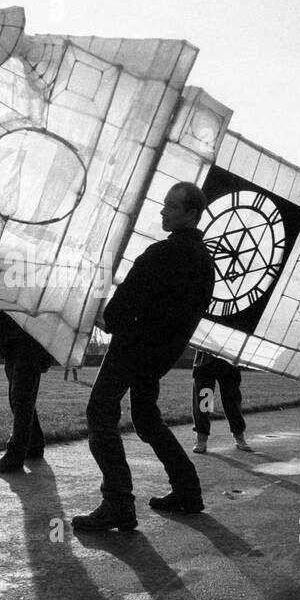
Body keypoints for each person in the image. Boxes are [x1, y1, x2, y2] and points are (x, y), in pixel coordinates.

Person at [73, 182, 216, 531]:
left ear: (191, 213)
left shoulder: (160, 254)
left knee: (100, 412)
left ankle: (118, 502)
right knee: (147, 419)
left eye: (170, 205)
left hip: (131, 347)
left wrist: (106, 318)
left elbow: (121, 307)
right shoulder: (205, 262)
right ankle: (187, 489)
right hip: (160, 355)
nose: (163, 211)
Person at [0, 310, 55, 473]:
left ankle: (16, 454)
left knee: (21, 398)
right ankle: (34, 444)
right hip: (13, 336)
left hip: (29, 335)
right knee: (19, 397)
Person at [191, 351, 251, 453]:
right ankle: (201, 438)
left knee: (232, 402)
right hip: (205, 361)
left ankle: (239, 436)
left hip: (229, 359)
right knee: (204, 402)